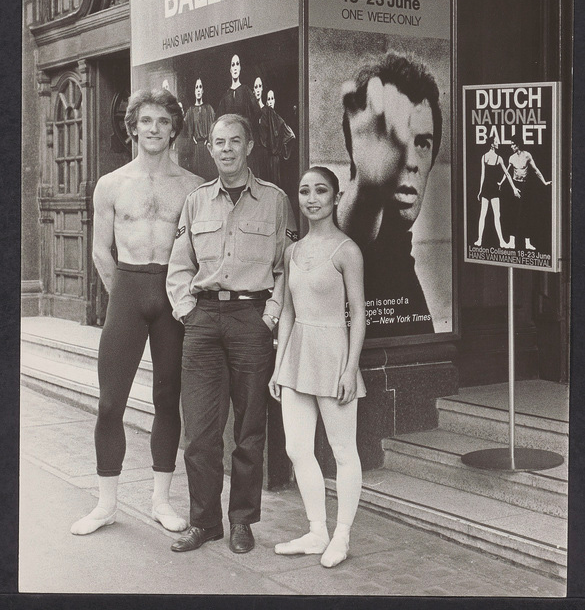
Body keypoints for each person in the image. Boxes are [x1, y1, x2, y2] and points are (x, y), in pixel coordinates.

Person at [71, 88, 203, 536]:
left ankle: (160, 501)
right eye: (145, 120)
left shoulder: (191, 187)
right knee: (110, 403)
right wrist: (122, 295)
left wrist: (181, 297)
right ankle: (106, 504)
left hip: (172, 296)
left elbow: (197, 252)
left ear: (174, 129)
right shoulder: (111, 184)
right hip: (127, 290)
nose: (154, 129)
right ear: (132, 127)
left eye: (163, 121)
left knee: (168, 400)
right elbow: (100, 250)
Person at [166, 113, 297, 555]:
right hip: (203, 321)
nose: (225, 149)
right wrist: (186, 310)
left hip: (251, 320)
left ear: (249, 146)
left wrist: (271, 314)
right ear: (210, 147)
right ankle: (204, 522)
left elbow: (286, 267)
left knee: (248, 429)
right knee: (200, 431)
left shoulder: (275, 201)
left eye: (234, 141)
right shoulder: (196, 201)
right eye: (218, 142)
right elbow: (179, 265)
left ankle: (242, 521)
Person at [269, 167, 366, 568]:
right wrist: (278, 367)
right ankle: (316, 530)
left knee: (343, 451)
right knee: (296, 447)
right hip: (296, 356)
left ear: (336, 197)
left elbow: (358, 315)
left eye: (320, 191)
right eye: (304, 190)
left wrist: (349, 369)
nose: (311, 198)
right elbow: (288, 312)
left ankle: (341, 535)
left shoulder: (347, 251)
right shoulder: (293, 251)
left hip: (333, 355)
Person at [337, 50, 441, 337]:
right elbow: (354, 232)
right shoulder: (353, 222)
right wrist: (370, 188)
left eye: (422, 143)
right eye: (395, 140)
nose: (408, 161)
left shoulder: (403, 266)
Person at [505, 134, 552, 251]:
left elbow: (536, 170)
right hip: (515, 186)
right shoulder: (511, 158)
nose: (511, 146)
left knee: (526, 214)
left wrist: (544, 182)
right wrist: (512, 188)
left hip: (524, 186)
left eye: (512, 144)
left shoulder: (527, 156)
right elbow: (506, 173)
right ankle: (511, 242)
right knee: (513, 214)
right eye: (511, 144)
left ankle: (527, 243)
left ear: (518, 145)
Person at [474, 135, 519, 247]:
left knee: (490, 215)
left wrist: (513, 188)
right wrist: (480, 191)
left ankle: (500, 241)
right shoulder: (493, 158)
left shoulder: (490, 157)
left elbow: (484, 175)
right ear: (492, 144)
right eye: (496, 142)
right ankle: (481, 240)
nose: (498, 143)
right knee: (489, 215)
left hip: (490, 189)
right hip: (491, 189)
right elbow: (483, 175)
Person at [258, 88, 296, 186]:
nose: (270, 102)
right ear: (266, 102)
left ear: (274, 100)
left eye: (272, 99)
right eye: (268, 99)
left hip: (275, 160)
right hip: (265, 158)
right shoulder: (264, 116)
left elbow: (290, 135)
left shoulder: (278, 119)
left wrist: (280, 147)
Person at [183, 78, 216, 181]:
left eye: (200, 87)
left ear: (203, 90)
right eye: (196, 87)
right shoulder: (190, 111)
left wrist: (209, 140)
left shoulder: (209, 109)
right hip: (196, 150)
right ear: (194, 91)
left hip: (207, 148)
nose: (198, 89)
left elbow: (214, 128)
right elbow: (185, 129)